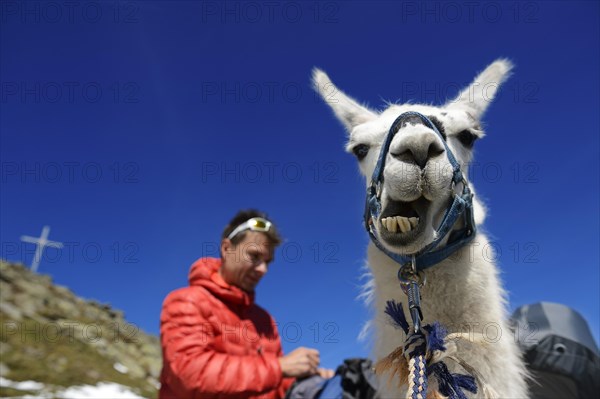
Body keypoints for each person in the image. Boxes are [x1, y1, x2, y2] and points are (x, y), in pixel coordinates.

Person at [159, 209, 333, 399]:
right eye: (254, 256)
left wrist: (308, 378)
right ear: (226, 248)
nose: (263, 269)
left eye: (268, 262)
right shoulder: (187, 301)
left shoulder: (264, 320)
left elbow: (275, 384)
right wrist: (280, 367)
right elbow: (190, 374)